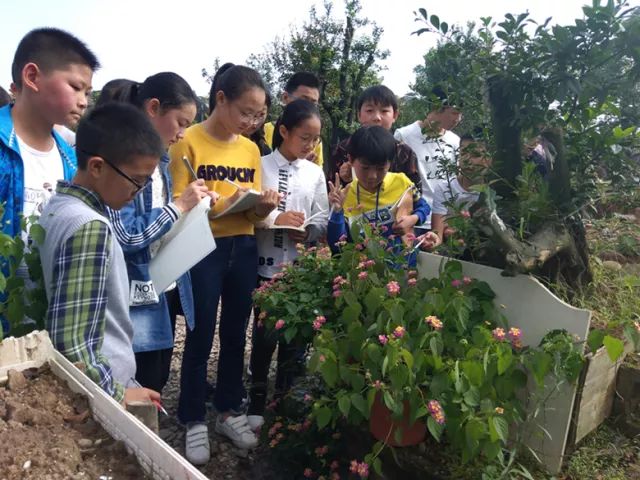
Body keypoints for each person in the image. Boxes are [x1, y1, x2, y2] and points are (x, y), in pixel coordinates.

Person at [169, 64, 279, 462]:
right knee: (200, 334)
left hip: (243, 246)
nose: (252, 122)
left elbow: (250, 215)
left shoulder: (251, 149)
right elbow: (180, 204)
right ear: (220, 99)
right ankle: (193, 417)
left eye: (259, 115)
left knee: (236, 333)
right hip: (202, 248)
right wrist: (214, 205)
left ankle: (228, 410)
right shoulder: (188, 141)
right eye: (246, 112)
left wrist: (260, 207)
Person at [38, 102, 164, 408]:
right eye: (136, 180)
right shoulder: (90, 227)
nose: (139, 190)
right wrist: (119, 394)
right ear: (97, 166)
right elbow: (73, 343)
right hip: (104, 394)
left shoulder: (58, 207)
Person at [97, 72, 215, 394]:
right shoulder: (124, 159)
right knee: (138, 379)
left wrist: (194, 208)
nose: (182, 133)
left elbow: (156, 223)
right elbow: (126, 236)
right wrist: (178, 207)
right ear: (153, 108)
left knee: (158, 373)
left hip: (160, 283)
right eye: (180, 122)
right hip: (135, 288)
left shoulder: (161, 160)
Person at [248, 99, 329, 428]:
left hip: (299, 269)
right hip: (263, 265)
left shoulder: (314, 172)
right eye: (304, 137)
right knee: (264, 333)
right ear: (283, 131)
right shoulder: (260, 165)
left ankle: (284, 397)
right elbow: (249, 208)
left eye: (315, 139)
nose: (310, 145)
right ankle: (255, 396)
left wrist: (309, 230)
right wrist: (275, 217)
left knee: (294, 336)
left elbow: (323, 214)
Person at [0, 28, 98, 238]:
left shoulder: (71, 161)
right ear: (32, 76)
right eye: (75, 87)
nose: (83, 102)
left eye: (87, 93)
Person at [327, 126, 430, 264]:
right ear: (351, 160)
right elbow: (337, 245)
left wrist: (414, 218)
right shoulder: (345, 195)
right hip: (365, 274)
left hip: (402, 266)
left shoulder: (401, 182)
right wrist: (337, 212)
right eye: (365, 168)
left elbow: (424, 206)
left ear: (390, 163)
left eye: (381, 169)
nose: (372, 176)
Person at [394, 86, 461, 229]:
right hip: (412, 220)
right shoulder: (404, 136)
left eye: (461, 114)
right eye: (455, 113)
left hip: (443, 223)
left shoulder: (455, 141)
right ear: (437, 107)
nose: (458, 119)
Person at [328, 85, 420, 190]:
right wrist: (343, 178)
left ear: (395, 115)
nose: (377, 117)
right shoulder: (342, 149)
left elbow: (415, 194)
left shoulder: (405, 153)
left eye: (384, 111)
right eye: (369, 110)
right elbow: (328, 193)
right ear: (359, 115)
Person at [424, 135, 492, 249]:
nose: (467, 160)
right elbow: (437, 234)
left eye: (475, 155)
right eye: (463, 153)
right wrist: (433, 240)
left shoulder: (493, 193)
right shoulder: (444, 188)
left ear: (489, 160)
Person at [263, 72, 324, 166]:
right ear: (285, 97)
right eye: (303, 100)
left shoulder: (316, 141)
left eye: (313, 104)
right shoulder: (264, 131)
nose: (307, 107)